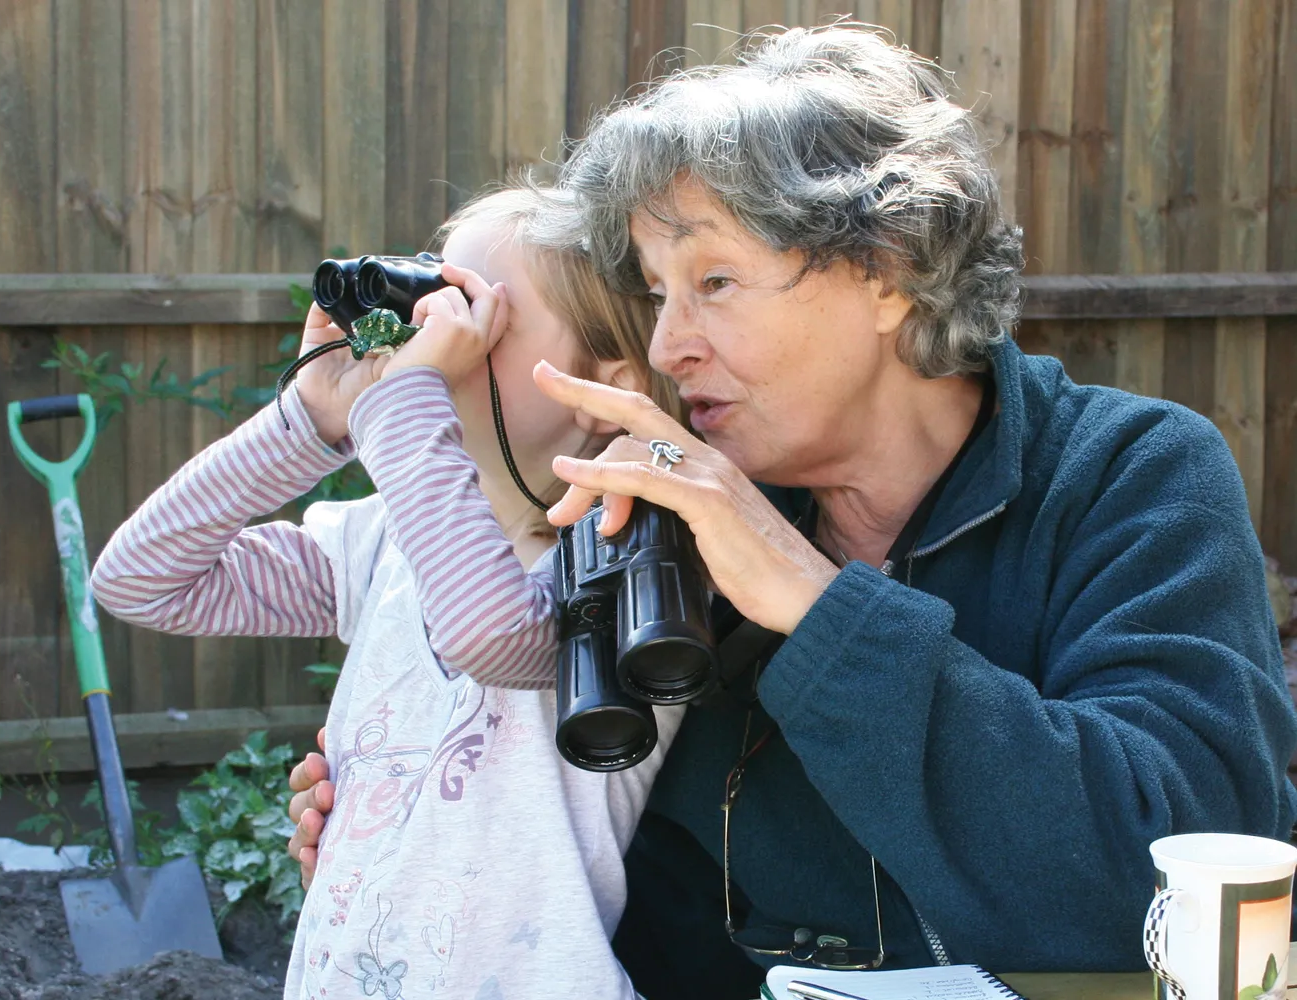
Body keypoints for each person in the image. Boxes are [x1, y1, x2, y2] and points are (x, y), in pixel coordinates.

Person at [287, 23, 1297, 998]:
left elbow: (1174, 885)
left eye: (714, 280)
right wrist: (400, 825)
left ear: (889, 268)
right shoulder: (657, 512)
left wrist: (821, 610)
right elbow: (575, 847)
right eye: (655, 292)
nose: (670, 343)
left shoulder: (1130, 477)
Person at [92, 185, 682, 1000]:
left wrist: (402, 402)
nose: (427, 338)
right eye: (427, 303)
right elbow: (142, 579)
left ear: (602, 385)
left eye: (474, 317)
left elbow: (491, 636)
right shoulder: (385, 543)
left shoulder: (631, 561)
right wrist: (312, 415)